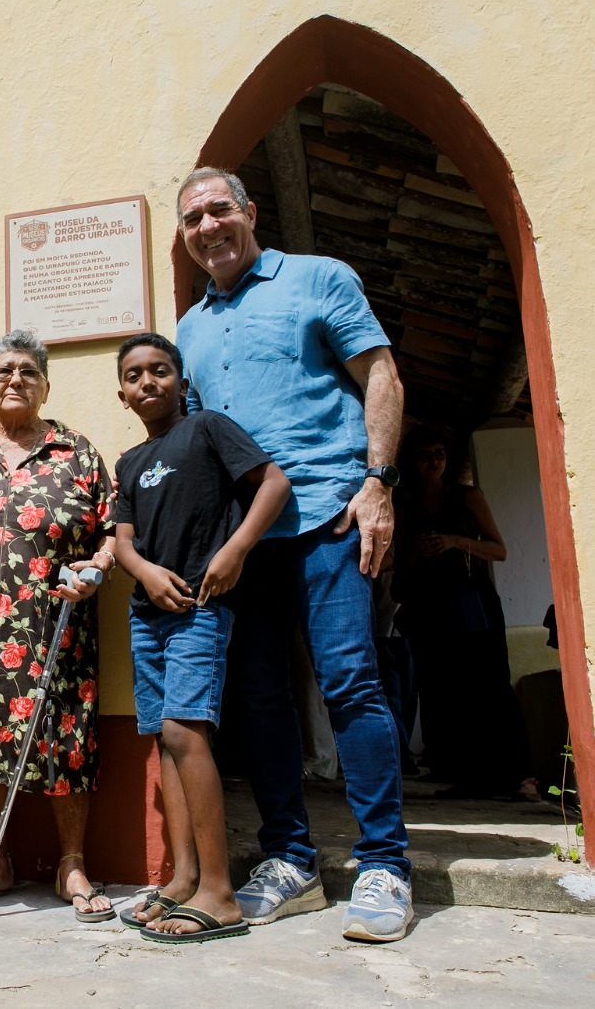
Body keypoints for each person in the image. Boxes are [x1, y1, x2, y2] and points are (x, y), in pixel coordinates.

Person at [174, 166, 414, 942]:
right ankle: (290, 859)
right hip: (246, 539)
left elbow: (380, 373)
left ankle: (385, 862)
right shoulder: (188, 327)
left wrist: (377, 482)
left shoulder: (318, 278)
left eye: (219, 211)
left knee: (349, 679)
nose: (208, 227)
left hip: (329, 513)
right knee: (261, 698)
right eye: (192, 220)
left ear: (249, 212)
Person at [110, 333, 290, 944]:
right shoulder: (129, 463)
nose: (148, 382)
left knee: (188, 731)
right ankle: (183, 876)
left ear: (181, 380)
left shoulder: (209, 428)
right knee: (165, 736)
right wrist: (143, 573)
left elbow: (274, 484)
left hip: (199, 606)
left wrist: (235, 549)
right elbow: (124, 543)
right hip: (148, 610)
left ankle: (220, 890)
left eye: (160, 370)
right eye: (135, 375)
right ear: (122, 393)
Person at [0, 329, 117, 923]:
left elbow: (112, 528)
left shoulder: (78, 451)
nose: (15, 379)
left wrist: (98, 568)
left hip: (60, 622)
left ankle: (72, 864)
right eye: (4, 371)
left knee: (68, 733)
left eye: (28, 371)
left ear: (45, 384)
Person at [393, 427, 537, 800]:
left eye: (439, 453)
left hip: (472, 602)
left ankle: (518, 777)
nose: (433, 461)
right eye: (425, 455)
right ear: (411, 462)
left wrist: (455, 541)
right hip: (429, 607)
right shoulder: (405, 504)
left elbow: (499, 550)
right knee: (443, 690)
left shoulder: (468, 497)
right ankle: (465, 776)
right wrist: (420, 551)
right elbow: (400, 569)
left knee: (489, 684)